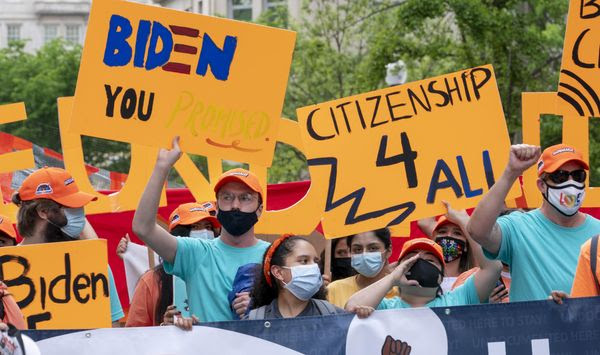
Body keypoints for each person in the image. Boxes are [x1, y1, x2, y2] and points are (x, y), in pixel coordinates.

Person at [132, 137, 270, 322]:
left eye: (245, 198)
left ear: (260, 209)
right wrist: (162, 167)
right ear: (217, 207)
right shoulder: (196, 253)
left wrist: (263, 308)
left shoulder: (275, 256)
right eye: (227, 197)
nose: (235, 205)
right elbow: (143, 228)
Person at [467, 144, 600, 301]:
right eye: (561, 176)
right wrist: (511, 173)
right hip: (532, 326)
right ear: (541, 185)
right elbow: (477, 231)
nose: (571, 184)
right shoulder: (519, 227)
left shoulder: (598, 232)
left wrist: (576, 308)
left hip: (587, 326)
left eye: (578, 176)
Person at [11, 167, 125, 326]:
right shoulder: (6, 269)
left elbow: (112, 332)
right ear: (43, 212)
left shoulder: (95, 269)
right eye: (72, 207)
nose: (80, 216)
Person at [345, 237, 502, 317]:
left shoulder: (460, 298)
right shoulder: (385, 307)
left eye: (430, 260)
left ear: (441, 276)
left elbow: (493, 267)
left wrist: (465, 224)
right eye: (411, 259)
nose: (419, 263)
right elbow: (350, 307)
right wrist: (391, 279)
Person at [121, 203, 220, 327]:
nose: (204, 232)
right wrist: (164, 328)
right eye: (195, 227)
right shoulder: (152, 281)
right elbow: (134, 335)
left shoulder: (222, 271)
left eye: (208, 227)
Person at [246, 234, 344, 319]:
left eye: (316, 261)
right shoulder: (255, 322)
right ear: (278, 272)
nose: (314, 267)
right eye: (304, 261)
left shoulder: (333, 316)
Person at [326, 228, 399, 308]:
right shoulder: (334, 290)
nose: (365, 255)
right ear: (350, 252)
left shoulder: (402, 292)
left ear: (388, 251)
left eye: (373, 248)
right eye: (357, 249)